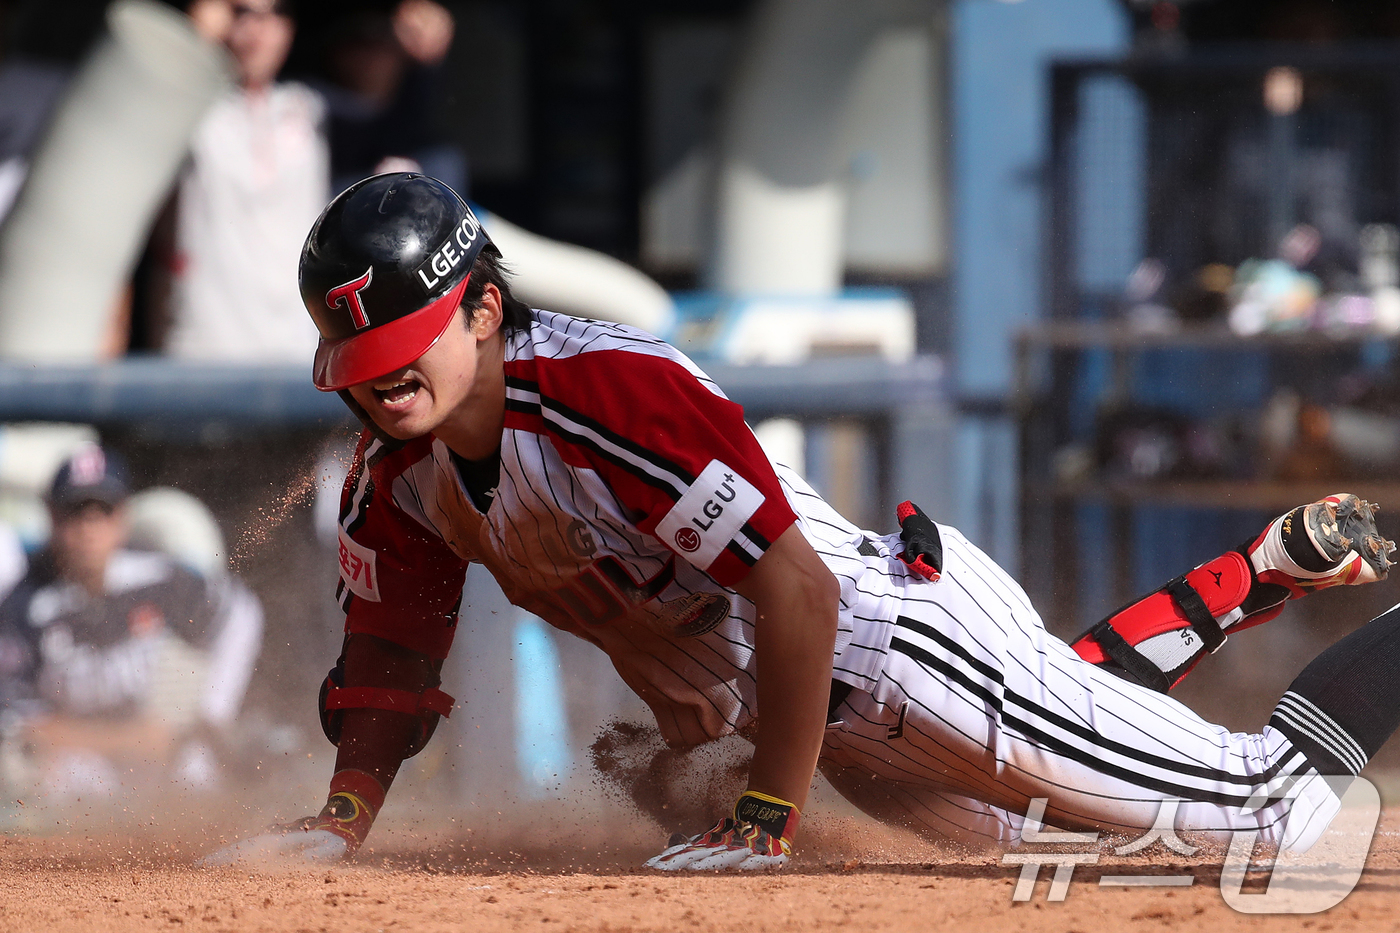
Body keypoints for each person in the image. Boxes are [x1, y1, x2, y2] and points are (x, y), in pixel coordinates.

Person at [205, 173, 1400, 870]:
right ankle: (1255, 574)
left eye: (400, 347)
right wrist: (344, 818)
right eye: (358, 359)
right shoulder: (392, 475)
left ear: (476, 309)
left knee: (1269, 817)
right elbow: (391, 657)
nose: (379, 378)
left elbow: (798, 593)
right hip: (845, 734)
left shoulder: (604, 393)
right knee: (1073, 823)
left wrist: (766, 817)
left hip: (906, 656)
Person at [0, 444, 262, 795]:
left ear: (122, 517)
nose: (88, 528)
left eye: (101, 512)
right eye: (75, 512)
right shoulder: (24, 603)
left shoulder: (159, 579)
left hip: (161, 752)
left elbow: (241, 614)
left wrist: (213, 712)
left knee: (195, 771)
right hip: (78, 760)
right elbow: (24, 723)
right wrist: (129, 739)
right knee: (65, 781)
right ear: (52, 516)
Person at [159, 0, 328, 362]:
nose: (257, 29)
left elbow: (394, 121)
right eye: (241, 13)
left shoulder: (311, 106)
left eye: (274, 13)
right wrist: (195, 38)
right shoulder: (188, 106)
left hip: (298, 351)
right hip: (204, 351)